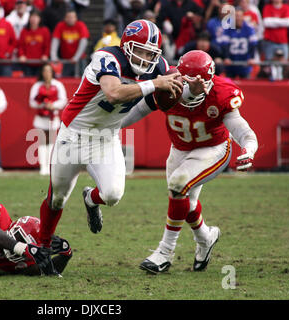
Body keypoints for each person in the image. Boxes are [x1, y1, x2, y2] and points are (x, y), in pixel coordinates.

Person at [37, 20, 184, 254]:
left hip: (106, 137)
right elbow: (114, 93)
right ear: (126, 46)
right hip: (74, 134)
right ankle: (42, 245)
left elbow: (179, 83)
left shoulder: (159, 67)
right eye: (141, 50)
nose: (146, 58)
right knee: (58, 197)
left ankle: (91, 200)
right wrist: (154, 84)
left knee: (113, 194)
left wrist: (194, 85)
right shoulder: (107, 57)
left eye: (151, 53)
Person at [120, 50, 258, 273]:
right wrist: (108, 127)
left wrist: (249, 149)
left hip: (213, 148)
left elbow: (243, 131)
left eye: (204, 80)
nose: (202, 85)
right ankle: (206, 238)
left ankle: (165, 253)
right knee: (186, 202)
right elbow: (138, 111)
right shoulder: (168, 88)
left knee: (178, 185)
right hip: (180, 149)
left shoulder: (220, 94)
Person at [29, 63, 67, 175]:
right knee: (41, 141)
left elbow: (63, 100)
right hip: (40, 117)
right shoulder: (37, 85)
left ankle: (50, 166)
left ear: (52, 72)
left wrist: (53, 105)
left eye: (49, 71)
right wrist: (42, 105)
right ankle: (43, 167)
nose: (47, 73)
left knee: (51, 141)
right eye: (45, 71)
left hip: (52, 117)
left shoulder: (58, 84)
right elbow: (32, 101)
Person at [218, 8, 257, 79]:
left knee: (247, 86)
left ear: (243, 17)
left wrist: (252, 57)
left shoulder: (248, 28)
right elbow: (224, 44)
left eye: (239, 16)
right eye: (236, 16)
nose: (238, 18)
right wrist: (226, 57)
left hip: (245, 63)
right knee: (229, 85)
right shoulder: (228, 29)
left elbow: (253, 43)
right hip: (231, 63)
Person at [50, 9, 89, 77]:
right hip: (65, 60)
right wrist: (54, 56)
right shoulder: (60, 25)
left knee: (82, 79)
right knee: (65, 78)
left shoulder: (81, 25)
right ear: (65, 18)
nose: (70, 19)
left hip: (79, 60)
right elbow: (55, 40)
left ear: (76, 18)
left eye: (72, 17)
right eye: (68, 17)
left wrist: (76, 57)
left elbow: (84, 42)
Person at [18, 9, 51, 76]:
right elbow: (20, 45)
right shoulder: (24, 31)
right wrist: (21, 55)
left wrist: (45, 55)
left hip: (40, 63)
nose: (34, 19)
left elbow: (47, 45)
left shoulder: (45, 31)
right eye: (32, 17)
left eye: (36, 17)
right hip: (27, 63)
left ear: (40, 19)